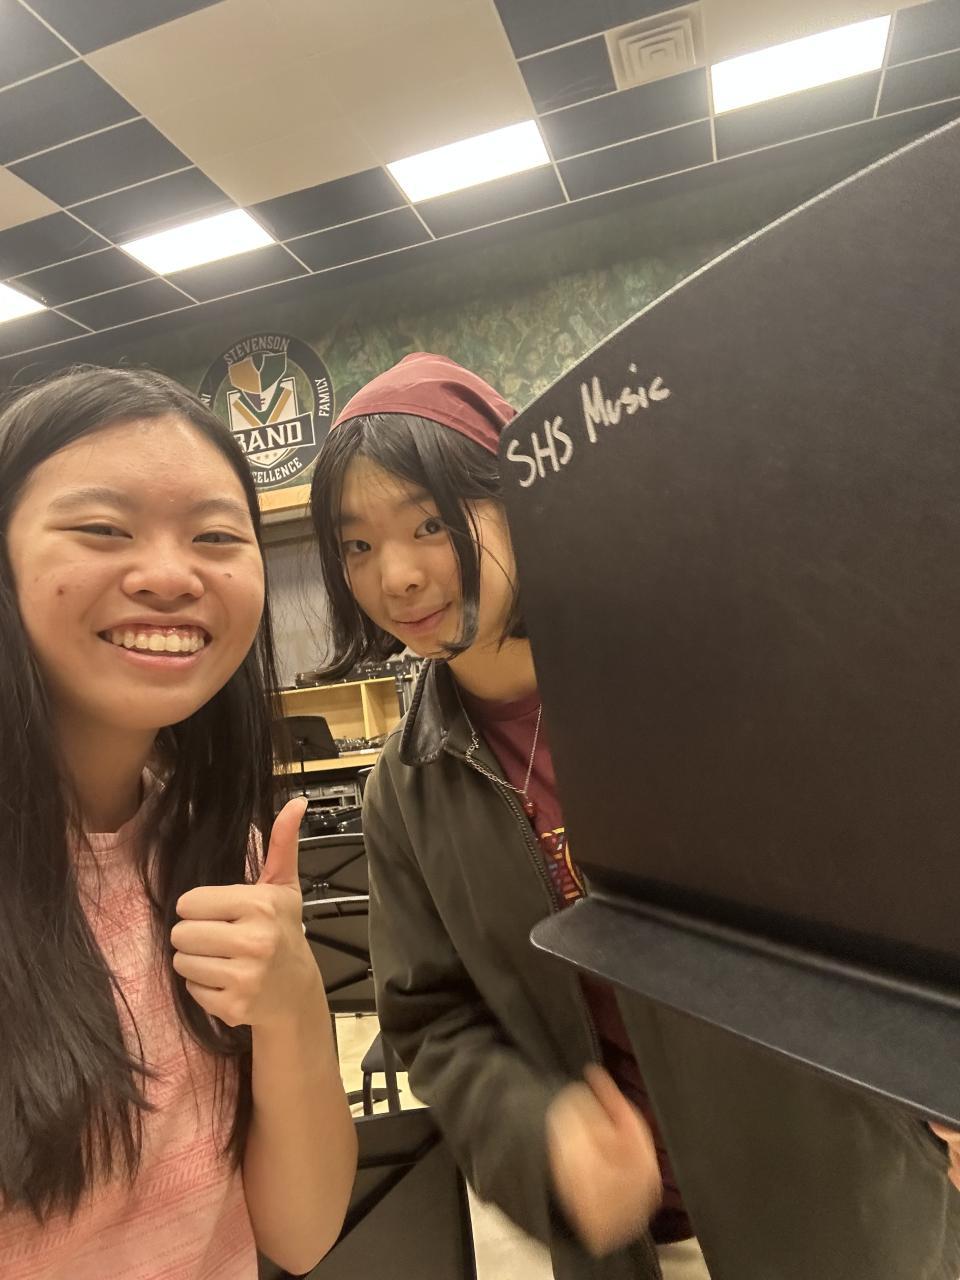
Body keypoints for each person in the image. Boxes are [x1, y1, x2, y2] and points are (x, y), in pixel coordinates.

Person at [307, 351, 960, 1280]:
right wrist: (538, 1136)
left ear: (521, 503)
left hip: (838, 1207)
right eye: (357, 546)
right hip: (631, 1242)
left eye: (430, 523)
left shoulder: (700, 681)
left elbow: (888, 871)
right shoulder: (406, 788)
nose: (398, 576)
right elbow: (433, 1019)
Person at [0, 367, 357, 1279]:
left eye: (216, 537)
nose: (170, 576)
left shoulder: (221, 853)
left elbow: (301, 1234)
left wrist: (293, 1007)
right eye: (101, 529)